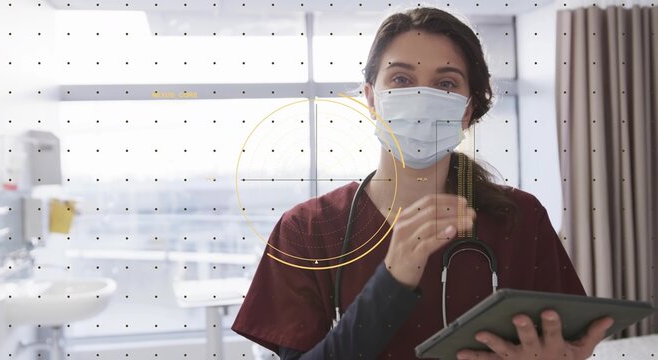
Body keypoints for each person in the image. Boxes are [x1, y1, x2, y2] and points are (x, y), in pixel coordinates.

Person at [232, 6, 614, 360]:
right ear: (371, 98)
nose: (421, 97)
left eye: (446, 83)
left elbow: (561, 338)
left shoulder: (521, 217)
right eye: (401, 79)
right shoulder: (307, 229)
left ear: (467, 111)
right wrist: (392, 280)